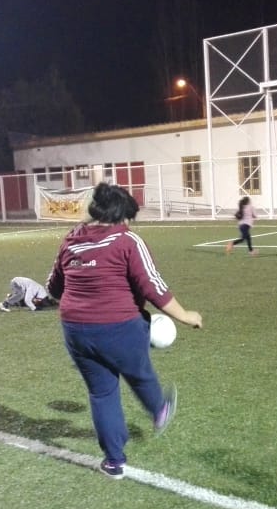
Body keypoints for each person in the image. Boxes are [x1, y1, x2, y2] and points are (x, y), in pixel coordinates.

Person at [47, 182, 203, 479]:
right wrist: (186, 316)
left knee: (102, 393)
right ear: (121, 216)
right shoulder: (127, 241)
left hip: (76, 331)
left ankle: (114, 462)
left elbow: (54, 287)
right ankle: (158, 409)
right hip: (118, 327)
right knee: (138, 372)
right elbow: (153, 286)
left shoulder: (71, 240)